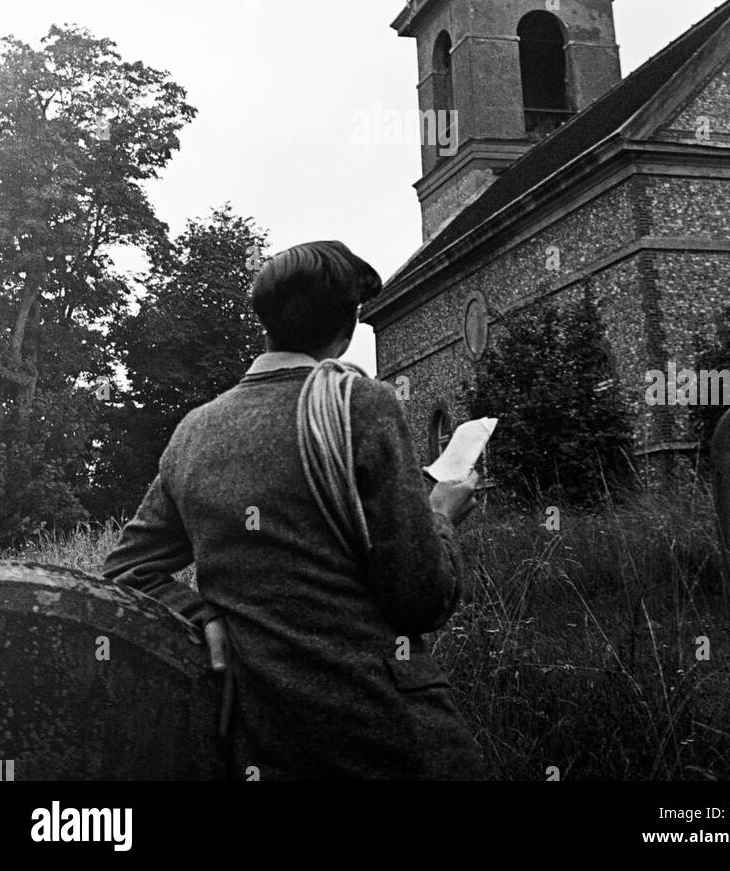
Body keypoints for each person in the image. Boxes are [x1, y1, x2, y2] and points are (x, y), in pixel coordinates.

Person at [102, 239, 486, 780]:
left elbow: (126, 569)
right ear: (349, 325)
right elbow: (419, 601)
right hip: (392, 735)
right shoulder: (364, 405)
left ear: (266, 320)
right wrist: (441, 514)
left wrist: (205, 615)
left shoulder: (194, 431)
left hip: (264, 742)